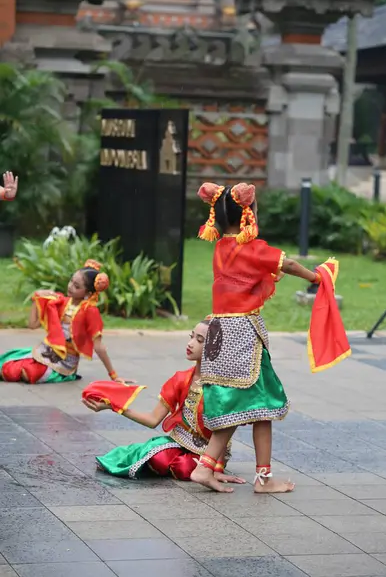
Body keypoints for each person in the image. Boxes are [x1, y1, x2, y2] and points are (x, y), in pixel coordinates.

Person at [191, 182, 323, 494]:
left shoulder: (221, 247)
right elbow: (286, 263)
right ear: (249, 214)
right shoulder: (252, 249)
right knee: (255, 402)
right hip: (242, 337)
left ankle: (225, 469)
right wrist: (316, 277)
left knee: (250, 404)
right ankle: (224, 470)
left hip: (218, 333)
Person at [82, 320, 244, 484]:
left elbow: (225, 429)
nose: (190, 343)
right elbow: (153, 420)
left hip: (211, 452)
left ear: (216, 348)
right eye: (191, 337)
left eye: (199, 340)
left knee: (184, 467)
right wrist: (114, 407)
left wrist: (217, 468)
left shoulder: (223, 386)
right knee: (158, 458)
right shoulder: (180, 379)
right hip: (180, 441)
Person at [0, 259, 124, 384]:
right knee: (8, 362)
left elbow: (99, 347)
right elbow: (32, 325)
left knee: (27, 373)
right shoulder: (60, 302)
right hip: (47, 351)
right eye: (71, 281)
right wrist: (37, 297)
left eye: (77, 286)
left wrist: (113, 376)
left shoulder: (90, 312)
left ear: (88, 293)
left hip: (65, 363)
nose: (70, 286)